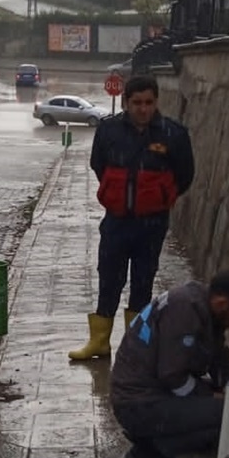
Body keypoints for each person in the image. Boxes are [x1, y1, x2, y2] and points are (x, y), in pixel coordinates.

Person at [69, 74, 195, 360]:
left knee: (143, 281)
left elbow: (185, 175)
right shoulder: (109, 130)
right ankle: (99, 342)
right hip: (116, 221)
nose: (143, 109)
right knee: (109, 278)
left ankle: (136, 347)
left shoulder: (173, 133)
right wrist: (117, 194)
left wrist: (161, 198)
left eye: (149, 102)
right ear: (126, 102)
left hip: (152, 223)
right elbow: (98, 165)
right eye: (137, 102)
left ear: (156, 102)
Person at [110, 267, 229, 458]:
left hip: (153, 394)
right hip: (138, 404)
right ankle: (151, 452)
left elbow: (221, 367)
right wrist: (212, 398)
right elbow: (173, 376)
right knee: (228, 412)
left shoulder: (208, 313)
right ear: (222, 304)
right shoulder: (184, 311)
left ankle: (159, 443)